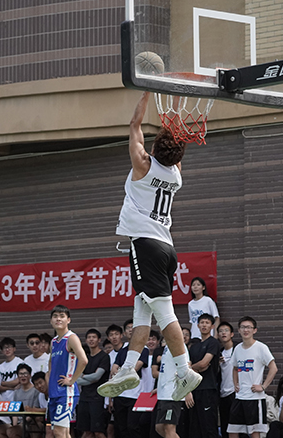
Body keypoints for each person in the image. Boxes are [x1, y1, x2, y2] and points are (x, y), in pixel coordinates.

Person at [100, 92, 201, 403]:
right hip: (165, 247)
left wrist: (146, 90)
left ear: (155, 148)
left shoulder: (143, 165)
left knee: (164, 312)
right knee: (142, 310)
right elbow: (172, 143)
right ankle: (128, 368)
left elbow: (135, 124)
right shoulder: (175, 174)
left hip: (146, 245)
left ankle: (184, 370)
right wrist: (176, 110)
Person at [227, 316, 278, 438]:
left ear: (254, 330)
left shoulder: (261, 347)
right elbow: (235, 367)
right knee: (232, 431)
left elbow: (273, 368)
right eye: (243, 327)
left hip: (255, 398)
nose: (246, 330)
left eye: (249, 327)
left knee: (254, 432)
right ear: (239, 330)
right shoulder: (237, 348)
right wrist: (235, 383)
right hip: (239, 397)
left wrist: (263, 386)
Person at [47, 305, 88, 438]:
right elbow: (50, 362)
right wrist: (50, 380)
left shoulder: (71, 338)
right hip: (54, 393)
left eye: (62, 316)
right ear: (51, 321)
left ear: (68, 320)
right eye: (55, 316)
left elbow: (83, 360)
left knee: (59, 432)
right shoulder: (53, 341)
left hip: (66, 392)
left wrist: (72, 380)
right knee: (62, 433)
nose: (58, 319)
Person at [152, 334, 193, 438]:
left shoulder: (177, 344)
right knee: (159, 427)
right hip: (164, 393)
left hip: (173, 394)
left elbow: (185, 368)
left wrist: (187, 390)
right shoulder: (167, 346)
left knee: (169, 428)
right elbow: (167, 370)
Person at [188, 314, 220, 438]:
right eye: (202, 322)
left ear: (212, 326)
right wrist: (195, 368)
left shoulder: (213, 342)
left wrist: (192, 368)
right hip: (193, 389)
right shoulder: (194, 347)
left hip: (208, 388)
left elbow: (204, 363)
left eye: (207, 323)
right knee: (195, 426)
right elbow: (190, 366)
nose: (204, 325)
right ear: (197, 325)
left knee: (208, 425)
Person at [76, 328, 111, 438]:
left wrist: (84, 376)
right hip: (84, 398)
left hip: (97, 399)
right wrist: (88, 378)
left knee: (98, 432)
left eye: (94, 337)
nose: (91, 340)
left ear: (99, 340)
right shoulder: (84, 358)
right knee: (86, 432)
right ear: (86, 340)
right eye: (89, 337)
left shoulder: (104, 357)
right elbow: (77, 380)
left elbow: (97, 377)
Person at [7, 364, 43, 438]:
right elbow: (14, 411)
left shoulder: (35, 390)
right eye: (20, 374)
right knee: (8, 431)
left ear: (30, 375)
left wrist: (23, 423)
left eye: (25, 374)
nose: (23, 376)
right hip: (20, 423)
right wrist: (15, 425)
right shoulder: (16, 392)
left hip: (31, 421)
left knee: (12, 431)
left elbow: (34, 410)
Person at [217, 322, 236, 435]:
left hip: (235, 392)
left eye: (226, 330)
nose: (223, 333)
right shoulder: (218, 353)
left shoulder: (238, 349)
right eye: (221, 331)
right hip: (223, 393)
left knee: (237, 425)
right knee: (225, 425)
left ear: (232, 334)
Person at [0, 337, 23, 402]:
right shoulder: (0, 367)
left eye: (9, 347)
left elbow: (18, 381)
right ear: (2, 351)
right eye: (5, 348)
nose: (7, 349)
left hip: (16, 399)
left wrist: (4, 383)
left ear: (14, 349)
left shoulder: (20, 362)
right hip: (3, 400)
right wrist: (11, 388)